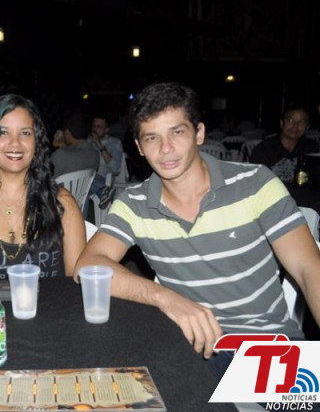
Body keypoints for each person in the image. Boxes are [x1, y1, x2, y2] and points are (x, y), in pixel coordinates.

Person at [75, 82, 320, 382]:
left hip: (267, 347)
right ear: (139, 147)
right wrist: (167, 299)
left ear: (199, 133)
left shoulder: (255, 183)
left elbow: (309, 270)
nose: (165, 148)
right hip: (193, 347)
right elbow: (87, 265)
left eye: (177, 132)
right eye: (152, 138)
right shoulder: (134, 204)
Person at [0, 93, 86, 281]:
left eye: (25, 133)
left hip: (53, 301)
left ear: (37, 142)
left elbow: (75, 286)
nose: (15, 143)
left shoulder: (62, 203)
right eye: (3, 132)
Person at [250, 103, 319, 183]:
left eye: (301, 122)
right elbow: (255, 181)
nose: (295, 126)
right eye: (290, 120)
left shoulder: (311, 147)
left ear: (307, 127)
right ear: (281, 123)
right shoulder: (264, 149)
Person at [85, 113, 124, 216]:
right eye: (94, 126)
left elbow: (116, 168)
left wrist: (99, 145)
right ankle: (103, 191)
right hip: (84, 176)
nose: (95, 129)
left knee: (86, 185)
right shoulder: (86, 141)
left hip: (100, 177)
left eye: (99, 127)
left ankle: (102, 189)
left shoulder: (114, 143)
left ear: (106, 129)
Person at [50, 111, 100, 179]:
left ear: (67, 133)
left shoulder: (60, 155)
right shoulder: (95, 155)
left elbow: (46, 179)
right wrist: (64, 147)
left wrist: (55, 148)